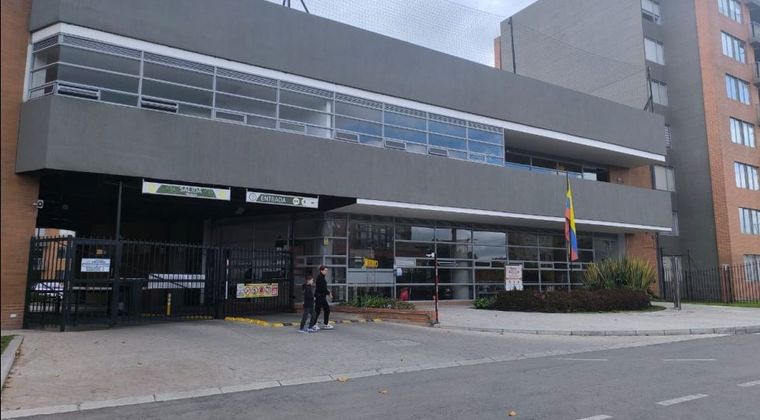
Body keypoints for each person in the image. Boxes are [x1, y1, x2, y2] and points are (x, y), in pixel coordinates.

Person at [314, 265, 334, 330]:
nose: (326, 271)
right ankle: (313, 324)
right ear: (321, 270)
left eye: (327, 270)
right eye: (325, 270)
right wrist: (329, 293)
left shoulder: (322, 277)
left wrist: (328, 292)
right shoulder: (319, 278)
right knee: (317, 310)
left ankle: (325, 324)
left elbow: (324, 287)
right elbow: (322, 288)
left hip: (322, 296)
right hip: (319, 296)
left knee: (327, 309)